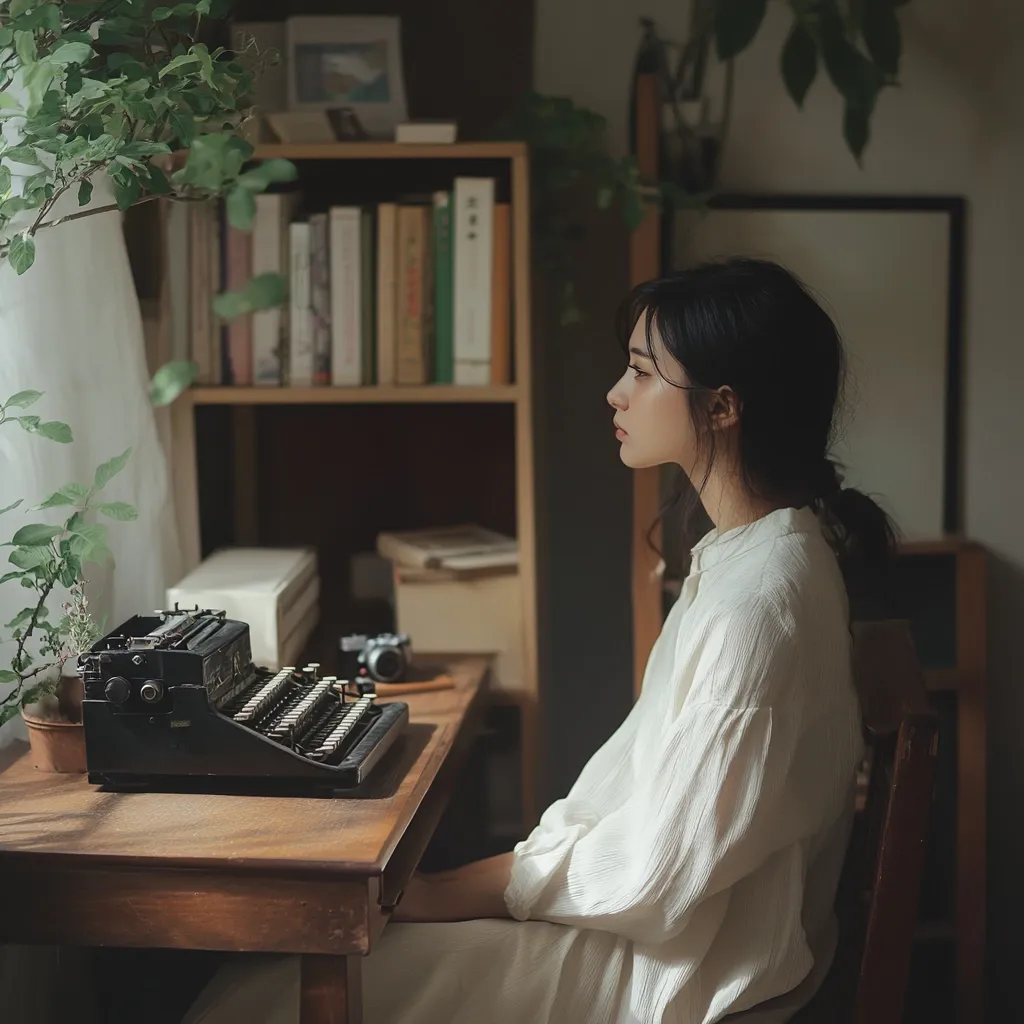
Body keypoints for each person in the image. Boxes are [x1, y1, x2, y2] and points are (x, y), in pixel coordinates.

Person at [183, 257, 897, 1024]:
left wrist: (441, 893)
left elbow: (657, 871)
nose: (616, 393)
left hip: (676, 973)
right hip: (674, 938)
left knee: (269, 990)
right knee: (290, 967)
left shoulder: (758, 603)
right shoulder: (761, 554)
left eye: (642, 372)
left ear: (722, 406)